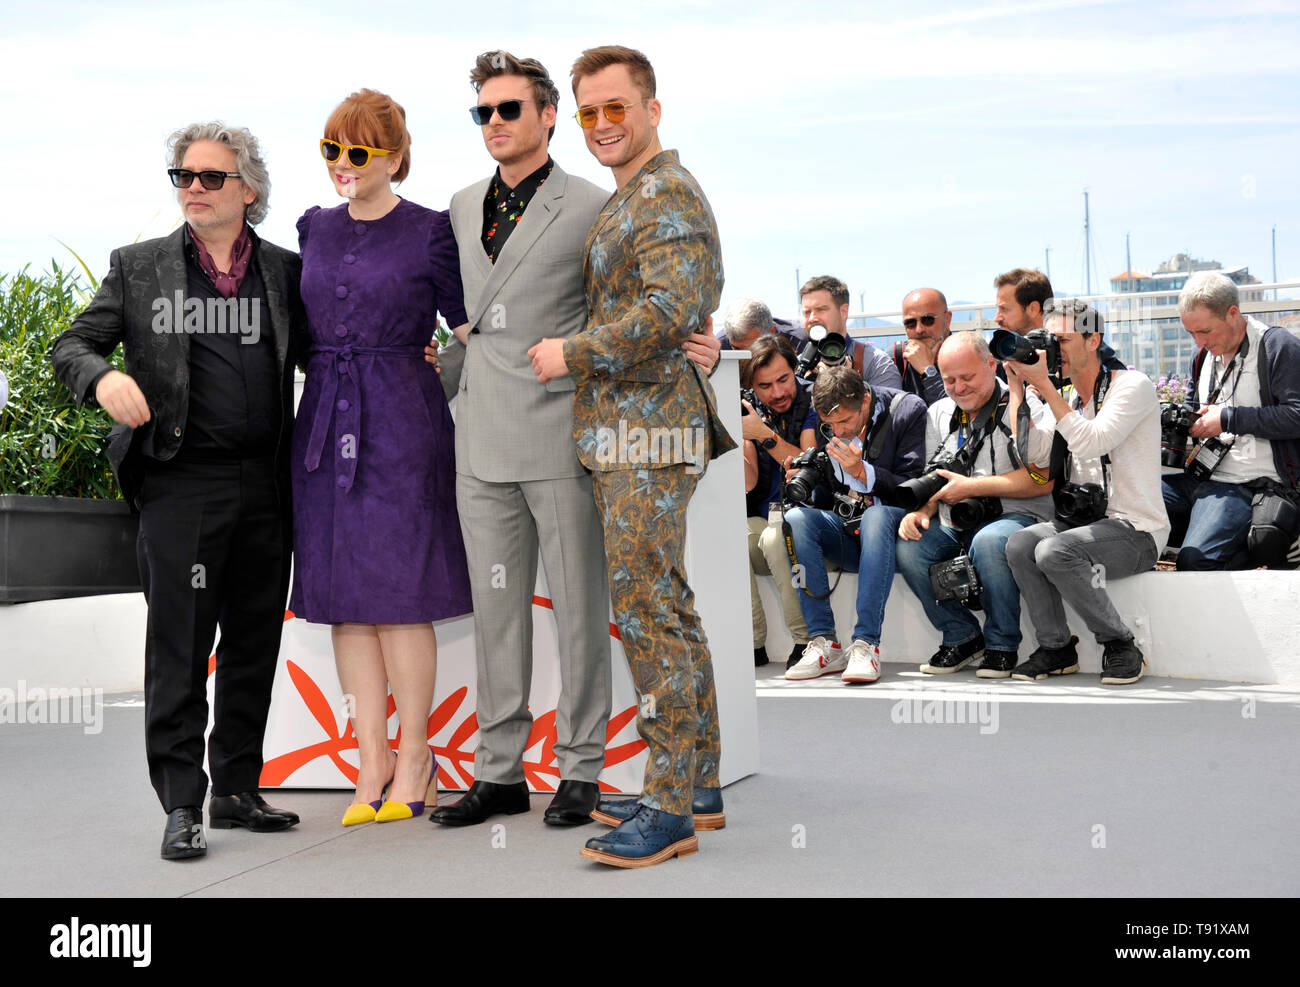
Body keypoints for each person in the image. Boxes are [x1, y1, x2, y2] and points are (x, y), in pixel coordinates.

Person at [50, 122, 305, 860]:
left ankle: (235, 787)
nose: (192, 187)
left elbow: (329, 352)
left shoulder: (284, 273)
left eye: (209, 176)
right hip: (180, 481)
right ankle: (182, 803)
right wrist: (104, 377)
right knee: (178, 647)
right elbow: (73, 343)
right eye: (182, 175)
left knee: (255, 641)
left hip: (266, 483)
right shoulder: (139, 268)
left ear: (248, 191)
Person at [527, 44, 734, 867]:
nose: (604, 124)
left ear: (652, 109)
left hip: (648, 436)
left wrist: (569, 353)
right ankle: (698, 785)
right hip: (629, 433)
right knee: (666, 605)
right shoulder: (635, 196)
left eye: (618, 107)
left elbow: (669, 309)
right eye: (589, 112)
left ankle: (668, 806)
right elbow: (669, 312)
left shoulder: (666, 191)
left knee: (650, 613)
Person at [427, 51, 614, 830]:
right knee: (497, 611)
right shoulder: (462, 203)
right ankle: (499, 772)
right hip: (480, 437)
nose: (495, 123)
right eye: (484, 112)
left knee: (577, 609)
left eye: (509, 109)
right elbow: (460, 310)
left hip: (559, 431)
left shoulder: (593, 204)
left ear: (547, 116)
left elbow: (619, 313)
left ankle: (581, 769)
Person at [291, 89, 472, 827]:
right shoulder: (311, 227)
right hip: (323, 417)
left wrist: (442, 368)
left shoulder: (432, 230)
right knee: (345, 599)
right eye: (331, 149)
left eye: (358, 152)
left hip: (402, 419)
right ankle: (369, 761)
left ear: (395, 156)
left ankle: (417, 759)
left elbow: (470, 327)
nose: (342, 164)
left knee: (401, 596)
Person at [1004, 300, 1169, 685]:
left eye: (1061, 339)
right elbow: (1034, 454)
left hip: (1138, 531)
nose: (1053, 350)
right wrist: (1018, 390)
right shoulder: (1069, 399)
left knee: (1054, 549)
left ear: (1093, 339)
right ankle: (1056, 648)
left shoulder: (1132, 385)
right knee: (1019, 544)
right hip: (1084, 527)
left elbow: (1093, 441)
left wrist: (1044, 384)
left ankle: (1120, 643)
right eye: (1049, 341)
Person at [895, 332, 1055, 677]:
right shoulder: (939, 412)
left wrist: (974, 487)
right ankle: (962, 635)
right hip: (957, 517)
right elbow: (937, 475)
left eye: (967, 377)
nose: (958, 387)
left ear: (991, 364)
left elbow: (1044, 478)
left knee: (990, 541)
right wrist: (920, 513)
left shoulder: (1023, 403)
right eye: (949, 379)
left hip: (1019, 515)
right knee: (911, 546)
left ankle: (1001, 644)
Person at [784, 365, 927, 684]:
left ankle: (866, 644)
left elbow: (914, 487)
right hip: (851, 535)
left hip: (896, 532)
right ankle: (824, 642)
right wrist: (806, 481)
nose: (839, 431)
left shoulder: (906, 410)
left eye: (845, 421)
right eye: (829, 425)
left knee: (876, 516)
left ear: (865, 400)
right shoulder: (832, 430)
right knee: (795, 519)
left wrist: (863, 472)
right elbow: (826, 499)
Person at [1161, 271, 1300, 570]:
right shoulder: (1201, 358)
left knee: (1194, 561)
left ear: (1233, 313)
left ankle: (1253, 551)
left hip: (1252, 483)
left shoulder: (1276, 346)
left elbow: (1296, 415)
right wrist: (1181, 421)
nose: (1199, 341)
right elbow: (1194, 407)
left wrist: (1228, 419)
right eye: (1191, 333)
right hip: (1203, 475)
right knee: (1126, 504)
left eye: (1205, 331)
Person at [740, 335, 818, 668]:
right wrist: (739, 432)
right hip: (762, 514)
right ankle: (752, 643)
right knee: (736, 536)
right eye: (765, 385)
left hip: (809, 515)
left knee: (775, 539)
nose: (777, 392)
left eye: (784, 379)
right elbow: (747, 482)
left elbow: (807, 463)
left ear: (795, 371)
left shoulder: (813, 400)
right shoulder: (747, 411)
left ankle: (804, 640)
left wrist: (765, 435)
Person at [800, 275, 902, 389]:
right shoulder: (795, 366)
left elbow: (889, 405)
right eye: (807, 312)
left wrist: (846, 383)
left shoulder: (875, 362)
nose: (812, 318)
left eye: (821, 310)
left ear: (844, 311)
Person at [890, 287, 952, 405]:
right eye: (911, 323)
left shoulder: (968, 355)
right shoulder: (894, 359)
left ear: (947, 319)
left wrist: (927, 371)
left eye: (928, 320)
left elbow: (954, 415)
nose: (919, 330)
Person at [717, 297, 805, 352]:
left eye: (750, 349)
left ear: (772, 332)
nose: (743, 358)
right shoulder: (718, 346)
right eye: (736, 349)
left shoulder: (799, 342)